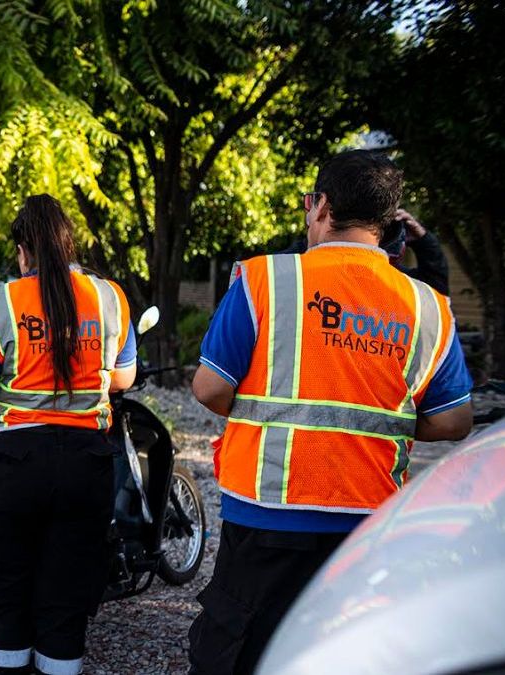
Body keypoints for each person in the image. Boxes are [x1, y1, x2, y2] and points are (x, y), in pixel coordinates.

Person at [188, 150, 474, 674]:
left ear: (319, 206)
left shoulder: (265, 280)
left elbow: (209, 390)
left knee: (240, 652)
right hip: (368, 522)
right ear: (388, 224)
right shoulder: (427, 306)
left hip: (267, 512)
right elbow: (455, 421)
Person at [0, 195, 138, 675]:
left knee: (8, 588)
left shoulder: (3, 303)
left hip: (16, 465)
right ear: (68, 242)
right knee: (67, 591)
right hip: (87, 463)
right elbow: (123, 379)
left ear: (23, 250)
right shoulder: (109, 297)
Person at [279, 207, 449, 295]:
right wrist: (423, 241)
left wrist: (317, 237)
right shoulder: (398, 286)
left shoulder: (397, 282)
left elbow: (434, 290)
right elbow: (436, 287)